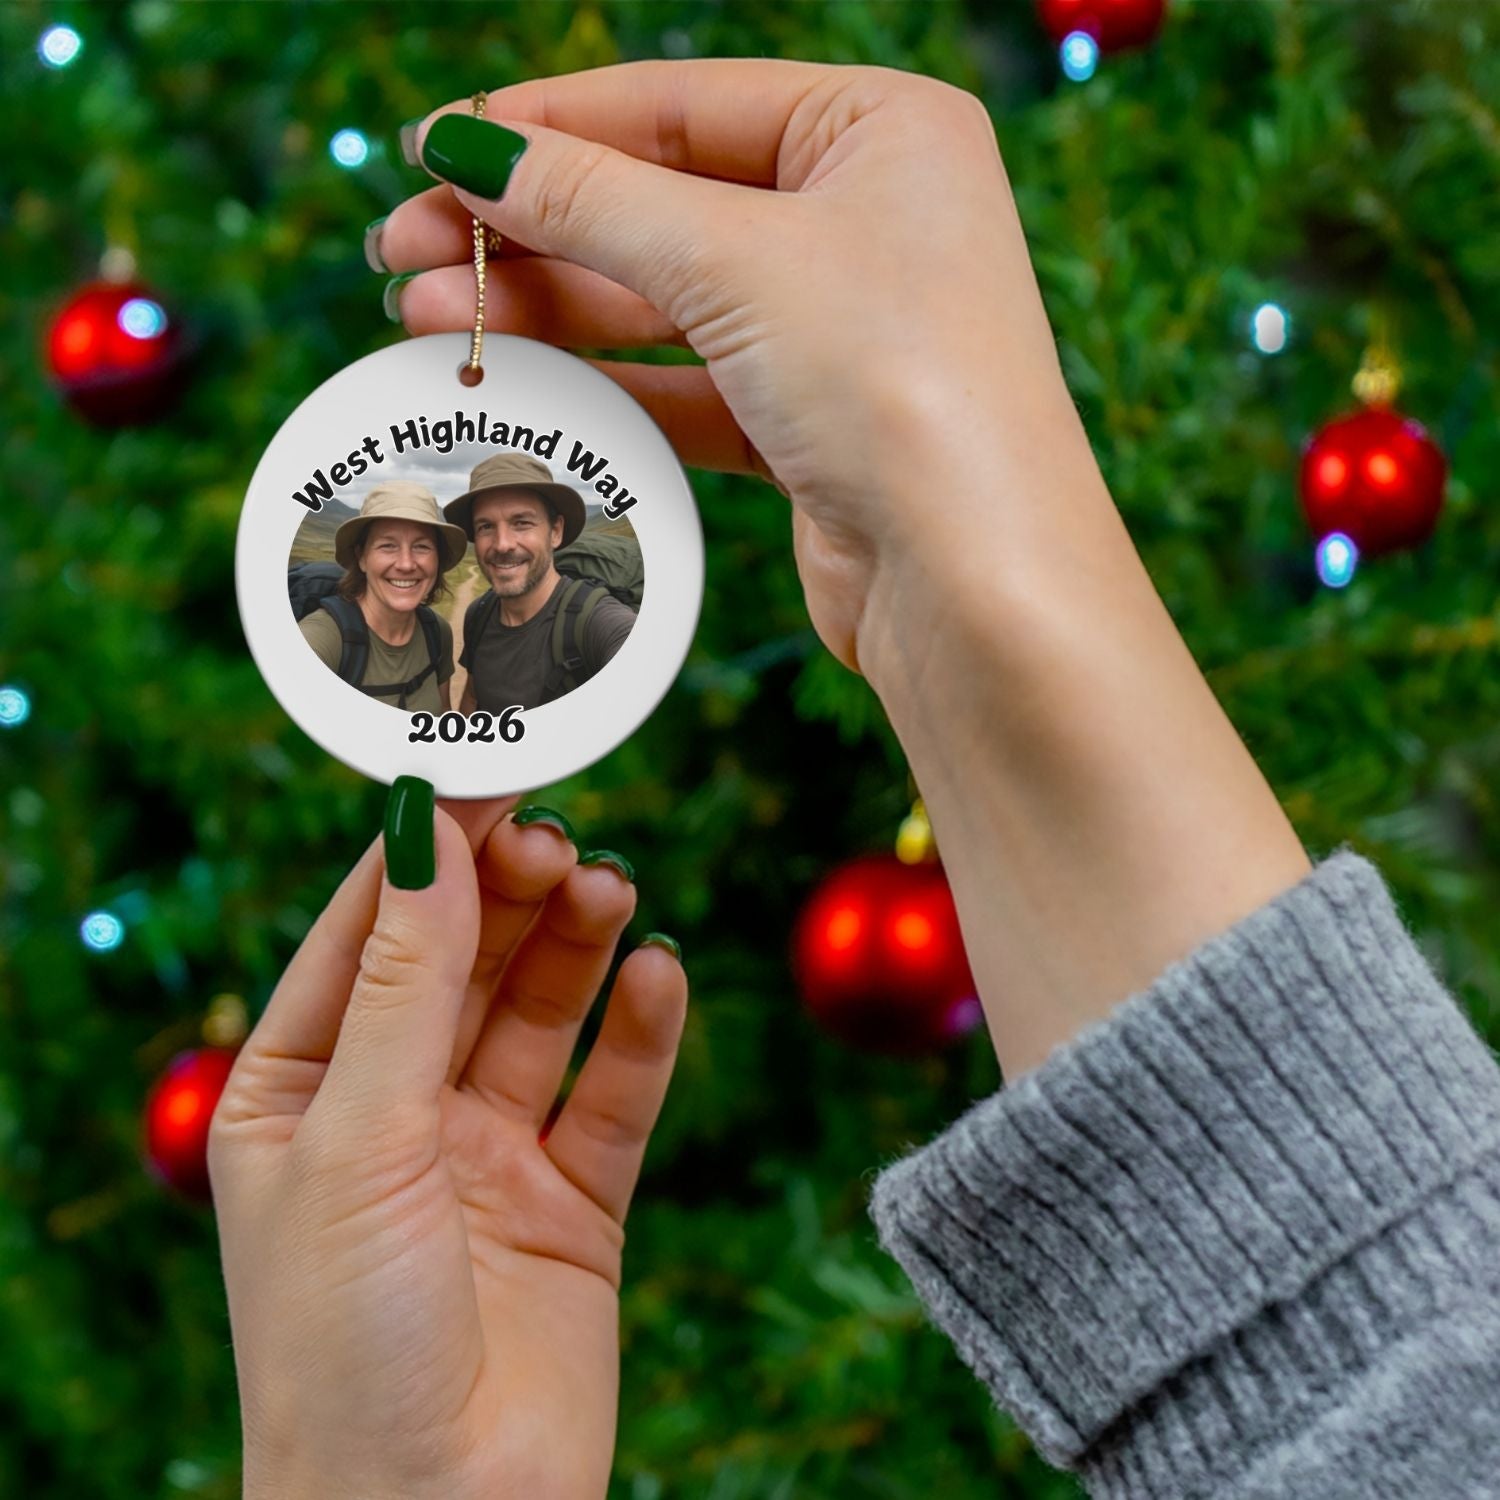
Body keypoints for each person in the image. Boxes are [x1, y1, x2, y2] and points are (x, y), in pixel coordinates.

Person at [211, 59, 1500, 1500]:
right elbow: (1388, 1385)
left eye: (495, 530)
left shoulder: (581, 615)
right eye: (442, 540)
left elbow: (1388, 1387)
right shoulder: (374, 630)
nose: (462, 552)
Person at [443, 452, 637, 713]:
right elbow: (473, 698)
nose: (502, 544)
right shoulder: (478, 614)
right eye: (486, 526)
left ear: (555, 532)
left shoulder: (599, 623)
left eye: (521, 522)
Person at [296, 480, 468, 713]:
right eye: (388, 545)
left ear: (437, 559)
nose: (406, 564)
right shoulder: (322, 639)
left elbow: (443, 720)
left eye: (422, 547)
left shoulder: (437, 632)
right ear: (362, 557)